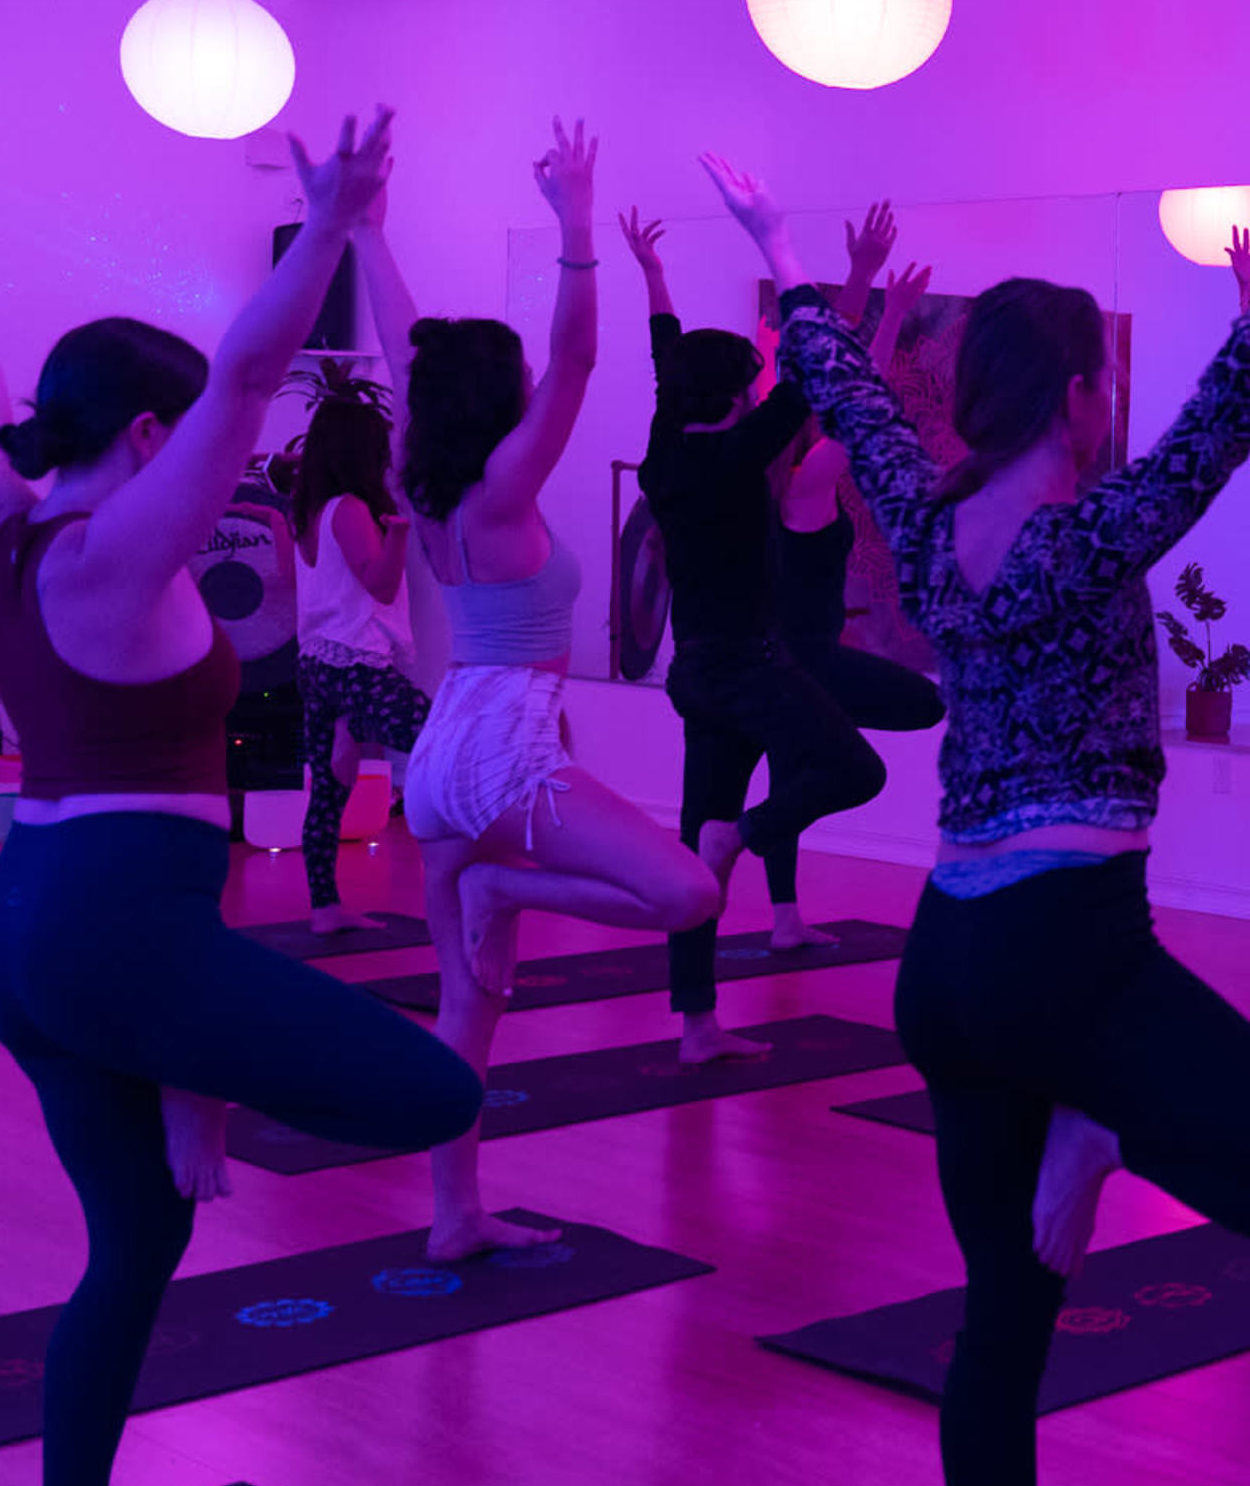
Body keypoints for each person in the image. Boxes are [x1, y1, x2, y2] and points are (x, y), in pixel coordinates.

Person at [696, 76, 1250, 1486]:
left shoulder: (927, 508)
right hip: (1066, 957)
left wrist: (775, 246)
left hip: (949, 964)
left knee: (1005, 1311)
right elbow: (1241, 397)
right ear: (1086, 395)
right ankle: (1102, 1115)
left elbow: (834, 376)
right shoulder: (1080, 538)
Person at [0, 121, 481, 1486]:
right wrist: (325, 223)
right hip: (122, 932)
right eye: (179, 450)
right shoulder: (121, 554)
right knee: (442, 1091)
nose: (212, 477)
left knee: (136, 1241)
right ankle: (203, 1085)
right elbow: (243, 381)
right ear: (139, 442)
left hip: (31, 941)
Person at [361, 122, 725, 1256]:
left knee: (465, 1008)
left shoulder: (428, 491)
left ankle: (454, 1219)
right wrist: (576, 229)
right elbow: (573, 362)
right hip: (509, 746)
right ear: (496, 401)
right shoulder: (505, 490)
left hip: (443, 749)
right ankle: (510, 894)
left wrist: (367, 230)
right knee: (689, 897)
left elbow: (399, 349)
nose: (532, 383)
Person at [614, 203, 893, 1030]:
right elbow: (818, 363)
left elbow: (668, 361)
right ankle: (746, 835)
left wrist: (653, 274)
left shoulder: (667, 453)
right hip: (747, 665)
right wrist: (862, 277)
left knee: (697, 845)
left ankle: (697, 1028)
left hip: (695, 672)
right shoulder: (740, 456)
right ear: (740, 393)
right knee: (856, 772)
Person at [757, 255, 949, 946]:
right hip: (811, 661)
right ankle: (765, 868)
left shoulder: (770, 480)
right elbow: (857, 403)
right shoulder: (807, 482)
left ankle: (784, 922)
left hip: (781, 659)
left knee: (790, 778)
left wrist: (874, 305)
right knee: (926, 704)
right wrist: (890, 314)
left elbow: (839, 393)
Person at [280, 370, 425, 933]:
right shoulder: (350, 509)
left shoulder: (308, 509)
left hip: (317, 663)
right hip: (356, 666)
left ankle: (325, 910)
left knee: (329, 789)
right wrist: (400, 536)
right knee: (443, 742)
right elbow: (381, 585)